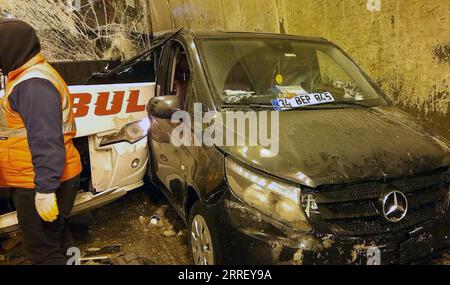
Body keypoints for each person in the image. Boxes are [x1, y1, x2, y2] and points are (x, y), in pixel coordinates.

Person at [0, 18, 82, 265]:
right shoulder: (27, 75)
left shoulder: (32, 84)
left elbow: (46, 140)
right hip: (44, 176)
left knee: (43, 252)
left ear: (10, 47)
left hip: (37, 181)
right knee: (56, 237)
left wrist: (45, 190)